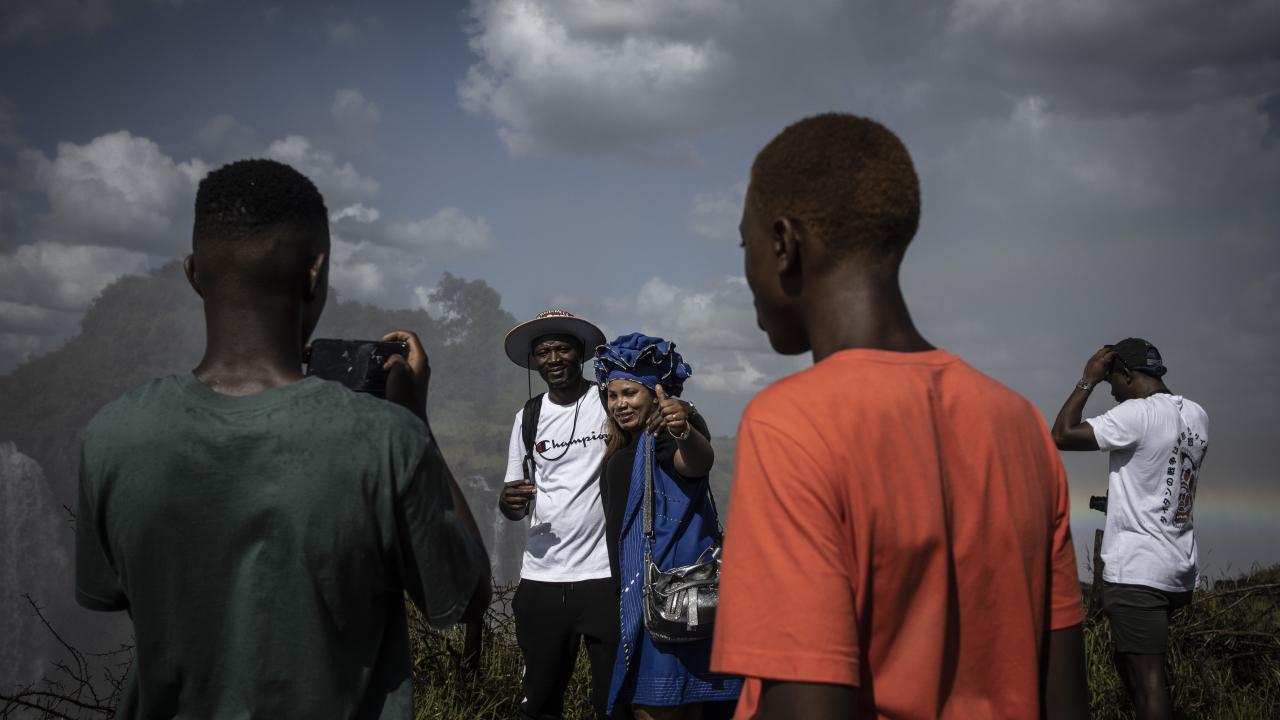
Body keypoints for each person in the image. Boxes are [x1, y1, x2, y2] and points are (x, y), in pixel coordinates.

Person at [74, 159, 491, 719]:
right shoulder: (386, 439)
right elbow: (462, 599)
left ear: (194, 273)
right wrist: (415, 415)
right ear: (314, 273)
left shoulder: (112, 436)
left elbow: (116, 592)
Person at [708, 113, 1089, 719]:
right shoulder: (1019, 424)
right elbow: (1065, 699)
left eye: (744, 244)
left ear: (783, 244)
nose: (746, 270)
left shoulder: (792, 423)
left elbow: (809, 705)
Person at [1051, 338, 1207, 720]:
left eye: (1112, 383)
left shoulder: (1137, 414)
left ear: (1126, 373)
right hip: (1177, 569)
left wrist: (1086, 380)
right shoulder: (1197, 415)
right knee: (1133, 670)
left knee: (1148, 681)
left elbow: (1062, 434)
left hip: (1139, 572)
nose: (1113, 392)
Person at [594, 333, 742, 720]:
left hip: (667, 602)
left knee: (657, 707)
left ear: (654, 394)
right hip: (658, 602)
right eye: (613, 395)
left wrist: (683, 427)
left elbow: (696, 463)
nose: (620, 404)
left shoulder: (662, 440)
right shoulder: (625, 447)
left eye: (630, 393)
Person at [499, 310, 616, 720]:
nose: (553, 358)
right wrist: (508, 505)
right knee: (540, 700)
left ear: (580, 354)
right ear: (535, 361)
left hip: (605, 576)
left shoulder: (607, 401)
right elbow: (514, 497)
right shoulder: (528, 417)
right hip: (543, 578)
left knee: (614, 700)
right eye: (544, 352)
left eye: (562, 348)